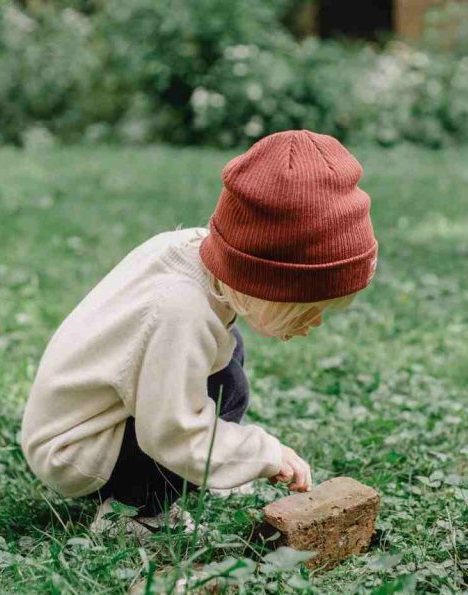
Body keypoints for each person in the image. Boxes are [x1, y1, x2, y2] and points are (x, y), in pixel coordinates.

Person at [19, 129, 378, 538]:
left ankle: (203, 465)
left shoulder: (201, 258)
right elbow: (171, 434)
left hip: (100, 411)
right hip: (74, 446)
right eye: (308, 309)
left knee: (227, 368)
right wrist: (262, 453)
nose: (314, 324)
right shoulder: (180, 311)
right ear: (267, 281)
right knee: (221, 394)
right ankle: (134, 513)